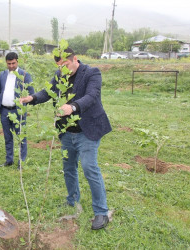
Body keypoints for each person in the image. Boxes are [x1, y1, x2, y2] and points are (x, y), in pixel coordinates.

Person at [20, 48, 112, 230]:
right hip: (67, 131)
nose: (63, 69)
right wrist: (32, 98)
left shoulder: (92, 73)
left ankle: (101, 212)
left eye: (66, 65)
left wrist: (73, 107)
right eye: (59, 66)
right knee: (68, 167)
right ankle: (72, 200)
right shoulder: (59, 74)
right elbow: (48, 92)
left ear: (75, 59)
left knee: (89, 167)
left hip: (88, 131)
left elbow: (92, 96)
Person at [0, 52, 34, 168]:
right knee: (7, 137)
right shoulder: (3, 75)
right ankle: (9, 160)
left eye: (13, 63)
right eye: (9, 64)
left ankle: (21, 162)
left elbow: (31, 93)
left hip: (18, 111)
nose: (11, 66)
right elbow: (0, 91)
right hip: (4, 111)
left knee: (21, 137)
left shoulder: (24, 75)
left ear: (17, 61)